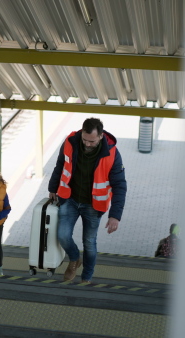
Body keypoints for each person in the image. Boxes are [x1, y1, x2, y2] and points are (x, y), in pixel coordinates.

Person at [48, 117, 127, 283]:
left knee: (89, 243)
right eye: (84, 139)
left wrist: (115, 215)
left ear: (100, 136)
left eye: (91, 141)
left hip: (93, 205)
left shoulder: (112, 153)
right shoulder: (70, 142)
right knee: (62, 235)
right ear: (81, 132)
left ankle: (87, 277)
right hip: (69, 199)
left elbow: (120, 185)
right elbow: (60, 165)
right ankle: (75, 259)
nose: (87, 144)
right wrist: (52, 188)